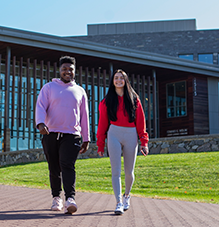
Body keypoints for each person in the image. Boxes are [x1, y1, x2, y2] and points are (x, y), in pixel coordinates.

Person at [36, 55, 90, 214]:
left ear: (75, 71)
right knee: (54, 167)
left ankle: (70, 199)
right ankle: (56, 198)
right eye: (64, 69)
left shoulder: (80, 91)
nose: (68, 72)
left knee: (67, 165)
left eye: (71, 69)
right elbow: (40, 106)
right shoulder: (49, 88)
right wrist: (40, 124)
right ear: (59, 70)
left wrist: (86, 138)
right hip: (50, 133)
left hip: (71, 135)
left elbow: (84, 116)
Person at [96, 69, 149, 215]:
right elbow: (102, 124)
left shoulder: (134, 99)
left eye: (121, 78)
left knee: (129, 172)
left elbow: (141, 122)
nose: (118, 80)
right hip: (114, 134)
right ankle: (118, 202)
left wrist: (144, 142)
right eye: (116, 78)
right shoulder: (106, 101)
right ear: (112, 81)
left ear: (125, 81)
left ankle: (127, 195)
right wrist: (100, 144)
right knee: (116, 171)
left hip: (131, 134)